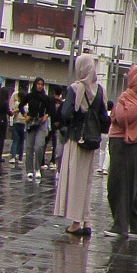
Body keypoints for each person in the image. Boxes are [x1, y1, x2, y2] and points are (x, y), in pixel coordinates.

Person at [51, 53, 104, 237]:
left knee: (74, 181)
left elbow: (65, 113)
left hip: (76, 139)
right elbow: (103, 116)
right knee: (86, 182)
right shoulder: (99, 90)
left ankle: (75, 222)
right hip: (91, 140)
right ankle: (87, 220)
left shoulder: (75, 88)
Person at [106, 65, 137, 237]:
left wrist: (121, 103)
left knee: (119, 186)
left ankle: (120, 226)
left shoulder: (134, 99)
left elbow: (121, 116)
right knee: (134, 187)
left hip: (126, 145)